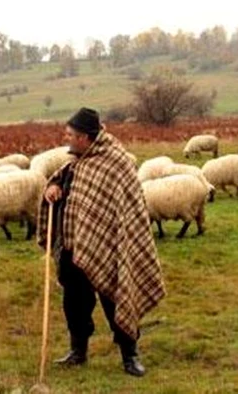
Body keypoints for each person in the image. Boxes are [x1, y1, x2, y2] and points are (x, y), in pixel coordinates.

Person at [37, 107, 166, 377]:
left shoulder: (116, 162)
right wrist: (54, 187)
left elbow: (128, 206)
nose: (66, 138)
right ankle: (78, 351)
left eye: (70, 134)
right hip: (74, 248)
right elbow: (65, 179)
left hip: (109, 249)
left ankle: (130, 355)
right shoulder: (77, 161)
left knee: (116, 299)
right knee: (75, 304)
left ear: (85, 137)